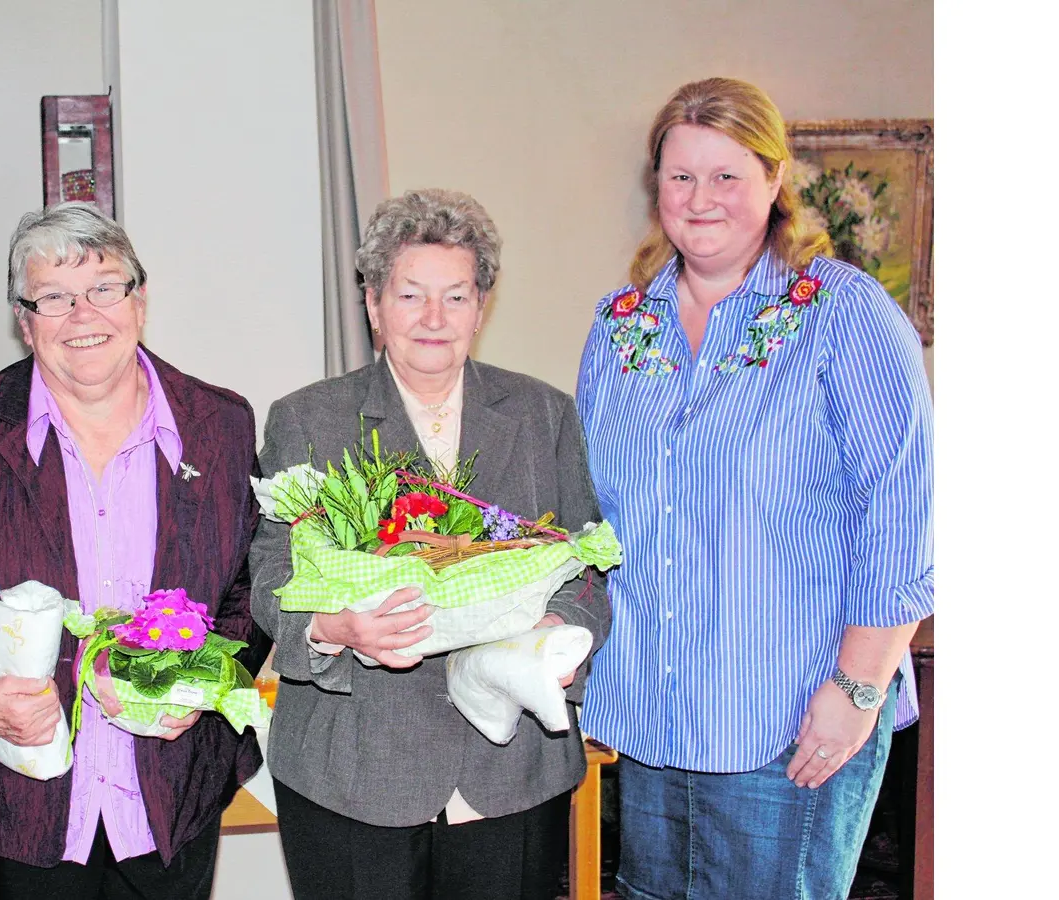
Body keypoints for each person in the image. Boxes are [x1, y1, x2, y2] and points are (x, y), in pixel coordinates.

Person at [575, 77, 934, 900]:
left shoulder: (844, 313)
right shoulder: (620, 324)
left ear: (776, 181)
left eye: (727, 176)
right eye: (680, 177)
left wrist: (856, 689)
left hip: (792, 719)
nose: (702, 199)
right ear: (656, 187)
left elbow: (904, 512)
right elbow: (596, 512)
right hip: (657, 718)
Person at [248, 188, 610, 900]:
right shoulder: (308, 419)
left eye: (456, 295)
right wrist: (329, 627)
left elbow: (588, 560)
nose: (434, 319)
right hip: (353, 768)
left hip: (510, 771)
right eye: (411, 295)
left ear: (482, 306)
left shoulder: (543, 415)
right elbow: (270, 573)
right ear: (375, 304)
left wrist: (560, 631)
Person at [0, 202, 271, 900]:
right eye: (54, 297)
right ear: (25, 321)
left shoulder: (221, 424)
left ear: (140, 301)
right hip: (21, 804)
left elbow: (247, 592)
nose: (84, 315)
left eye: (105, 287)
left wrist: (198, 685)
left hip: (172, 800)